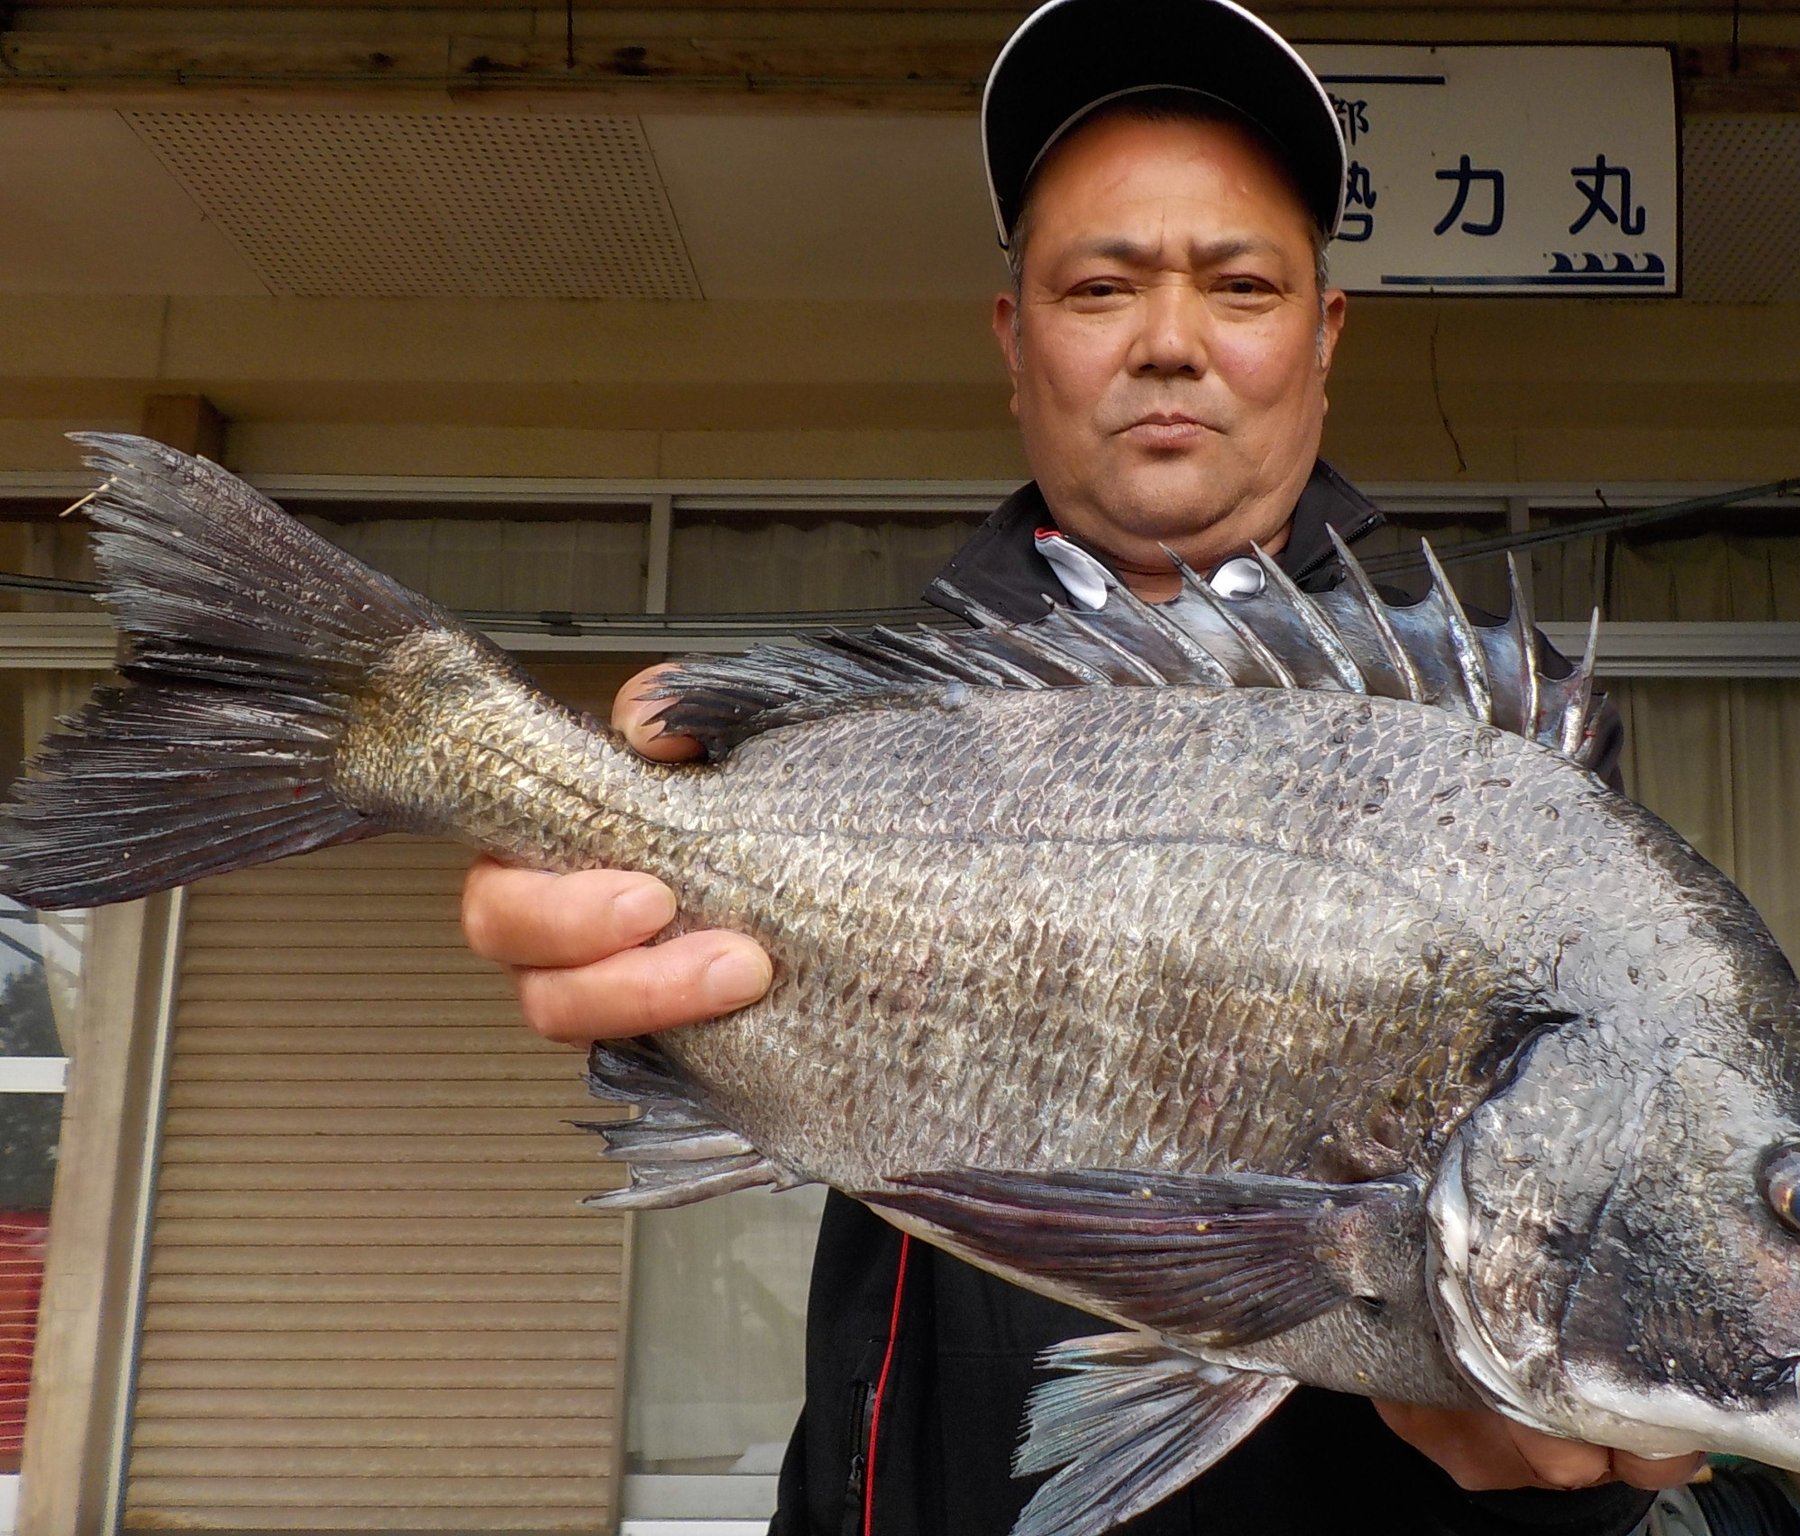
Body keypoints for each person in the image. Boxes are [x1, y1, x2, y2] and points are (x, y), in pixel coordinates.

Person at [462, 2, 1701, 1530]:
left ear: (1324, 336)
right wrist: (630, 952)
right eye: (1100, 284)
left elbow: (1570, 1290)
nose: (1169, 339)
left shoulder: (1485, 749)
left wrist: (1566, 1474)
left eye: (1240, 284)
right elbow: (727, 1021)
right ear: (1014, 341)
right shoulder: (875, 728)